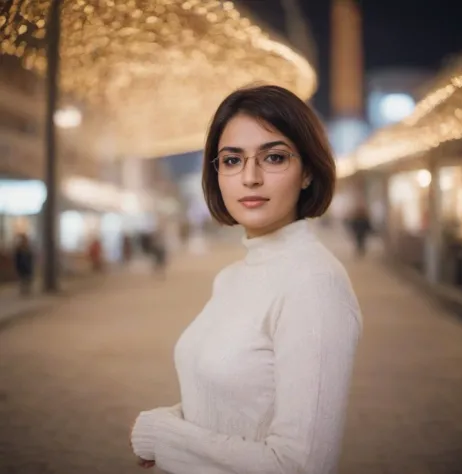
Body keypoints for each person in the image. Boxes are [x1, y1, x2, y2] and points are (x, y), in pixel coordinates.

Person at [130, 84, 362, 473]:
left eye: (273, 157)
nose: (250, 177)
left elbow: (299, 466)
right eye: (232, 160)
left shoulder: (314, 283)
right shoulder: (231, 277)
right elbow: (235, 399)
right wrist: (173, 420)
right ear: (216, 172)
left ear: (307, 171)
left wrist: (165, 436)